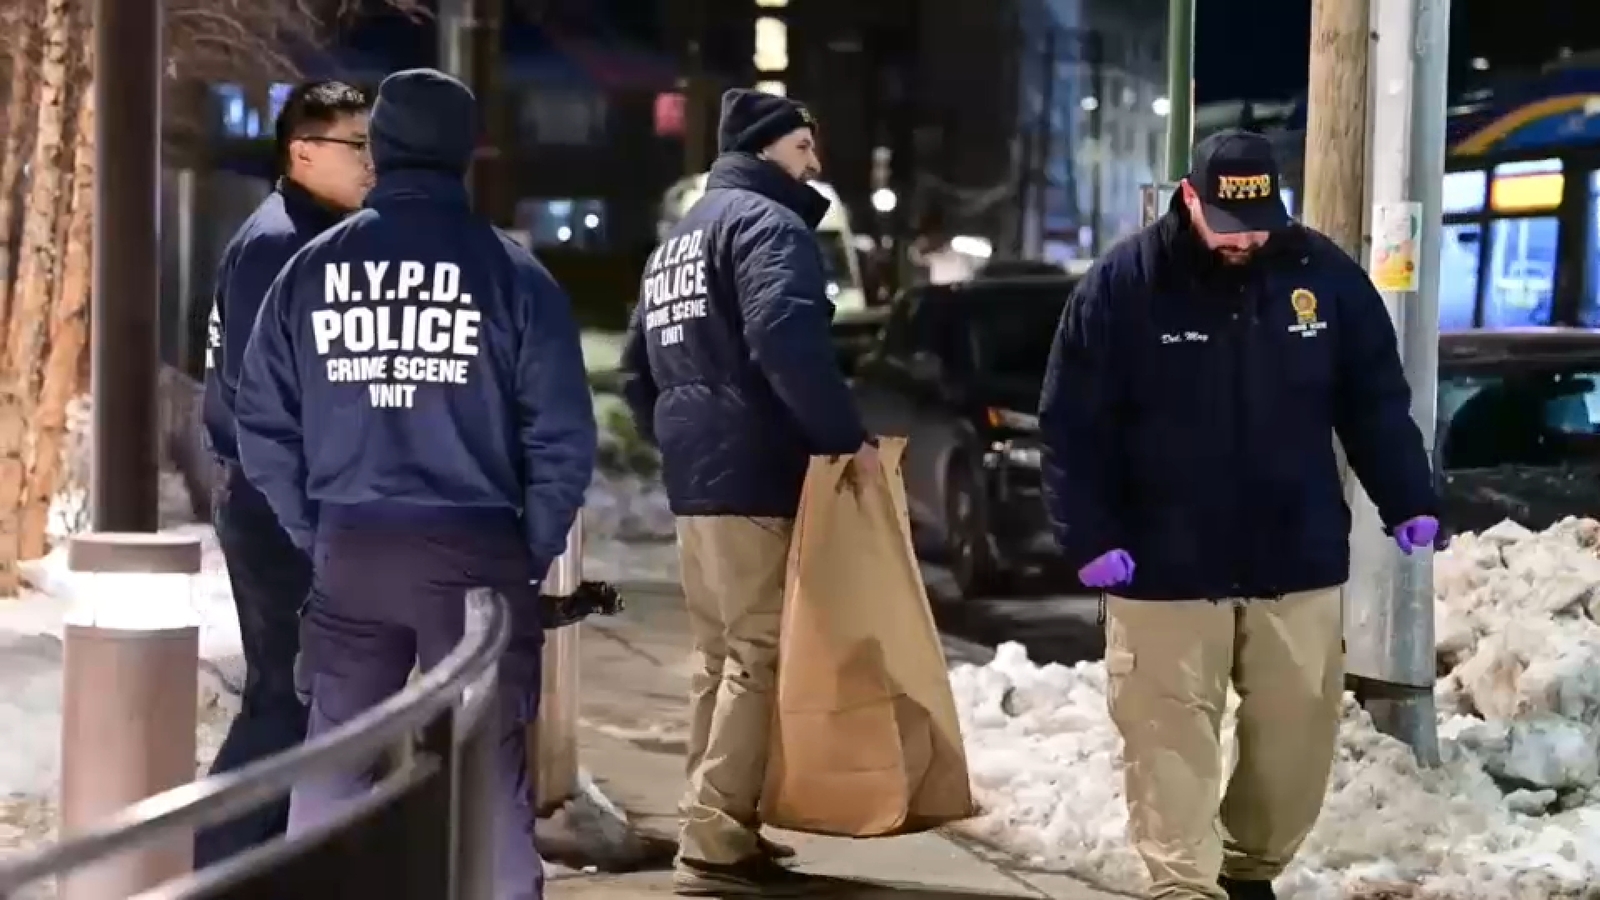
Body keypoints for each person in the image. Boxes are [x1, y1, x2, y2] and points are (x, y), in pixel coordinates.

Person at [1038, 129, 1439, 900]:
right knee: (1168, 737)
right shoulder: (1124, 285)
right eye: (1227, 224)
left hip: (1294, 553)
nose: (1245, 239)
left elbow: (1374, 403)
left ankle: (1249, 870)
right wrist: (1088, 534)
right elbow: (1071, 425)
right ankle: (1184, 885)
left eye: (1258, 224)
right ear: (1189, 198)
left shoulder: (1325, 277)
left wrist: (1408, 497)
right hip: (1162, 562)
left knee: (1297, 733)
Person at [235, 68, 596, 900]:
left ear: (384, 147)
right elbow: (562, 437)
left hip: (350, 546)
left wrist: (313, 527)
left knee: (334, 763)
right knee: (487, 774)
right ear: (465, 151)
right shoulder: (512, 275)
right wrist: (529, 548)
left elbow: (262, 421)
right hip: (475, 548)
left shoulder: (313, 268)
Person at [620, 87, 875, 896]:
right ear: (765, 148)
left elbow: (635, 368)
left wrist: (679, 438)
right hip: (756, 469)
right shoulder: (770, 226)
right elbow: (786, 339)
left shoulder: (681, 239)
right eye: (803, 146)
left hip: (698, 476)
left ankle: (718, 821)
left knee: (720, 659)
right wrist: (842, 439)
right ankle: (713, 841)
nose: (815, 162)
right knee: (758, 658)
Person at [195, 79, 372, 866]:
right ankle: (216, 864)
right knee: (285, 696)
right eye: (357, 145)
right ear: (303, 152)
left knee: (305, 697)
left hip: (296, 497)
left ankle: (255, 864)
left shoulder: (317, 234)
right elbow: (260, 398)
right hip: (274, 503)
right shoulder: (278, 242)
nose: (372, 161)